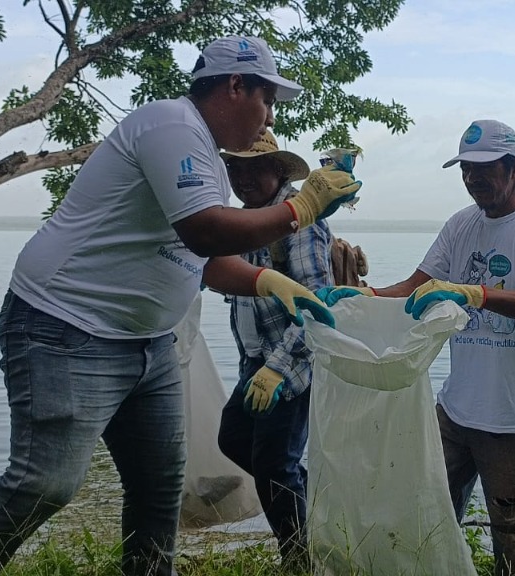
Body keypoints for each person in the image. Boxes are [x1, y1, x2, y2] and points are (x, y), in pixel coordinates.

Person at [0, 36, 360, 576]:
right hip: (67, 325)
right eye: (267, 99)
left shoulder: (200, 153)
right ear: (234, 85)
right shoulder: (171, 126)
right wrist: (304, 206)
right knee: (46, 482)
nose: (268, 114)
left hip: (149, 342)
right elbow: (205, 233)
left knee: (158, 487)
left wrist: (269, 282)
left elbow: (198, 261)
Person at [320, 119, 515, 576]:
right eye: (465, 170)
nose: (472, 179)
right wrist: (365, 296)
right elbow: (416, 286)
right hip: (454, 414)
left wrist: (474, 293)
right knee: (423, 521)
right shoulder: (461, 225)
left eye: (483, 169)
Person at [208, 130, 329, 571]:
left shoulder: (298, 220)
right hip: (255, 362)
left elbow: (316, 306)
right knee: (234, 438)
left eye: (253, 166)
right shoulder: (246, 221)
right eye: (234, 168)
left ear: (277, 168)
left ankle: (300, 561)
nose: (242, 176)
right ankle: (318, 512)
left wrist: (278, 368)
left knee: (275, 465)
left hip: (292, 362)